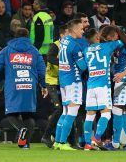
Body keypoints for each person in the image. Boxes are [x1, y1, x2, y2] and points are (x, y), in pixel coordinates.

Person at [0, 28, 48, 149]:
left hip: (13, 86)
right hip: (29, 86)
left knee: (11, 113)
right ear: (28, 37)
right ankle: (25, 143)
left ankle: (21, 129)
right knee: (28, 115)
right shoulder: (34, 51)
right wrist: (43, 85)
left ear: (15, 36)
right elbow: (42, 70)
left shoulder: (6, 50)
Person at [82, 25, 126, 150]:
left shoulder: (86, 50)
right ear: (98, 36)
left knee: (89, 115)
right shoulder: (108, 46)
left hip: (90, 86)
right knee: (106, 114)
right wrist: (117, 30)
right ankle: (97, 138)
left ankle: (87, 144)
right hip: (103, 86)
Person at [53, 19, 87, 151]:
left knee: (65, 112)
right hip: (74, 81)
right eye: (81, 29)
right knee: (72, 112)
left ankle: (57, 142)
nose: (83, 31)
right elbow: (82, 66)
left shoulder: (64, 42)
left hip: (64, 81)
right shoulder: (74, 45)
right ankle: (62, 143)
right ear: (73, 30)